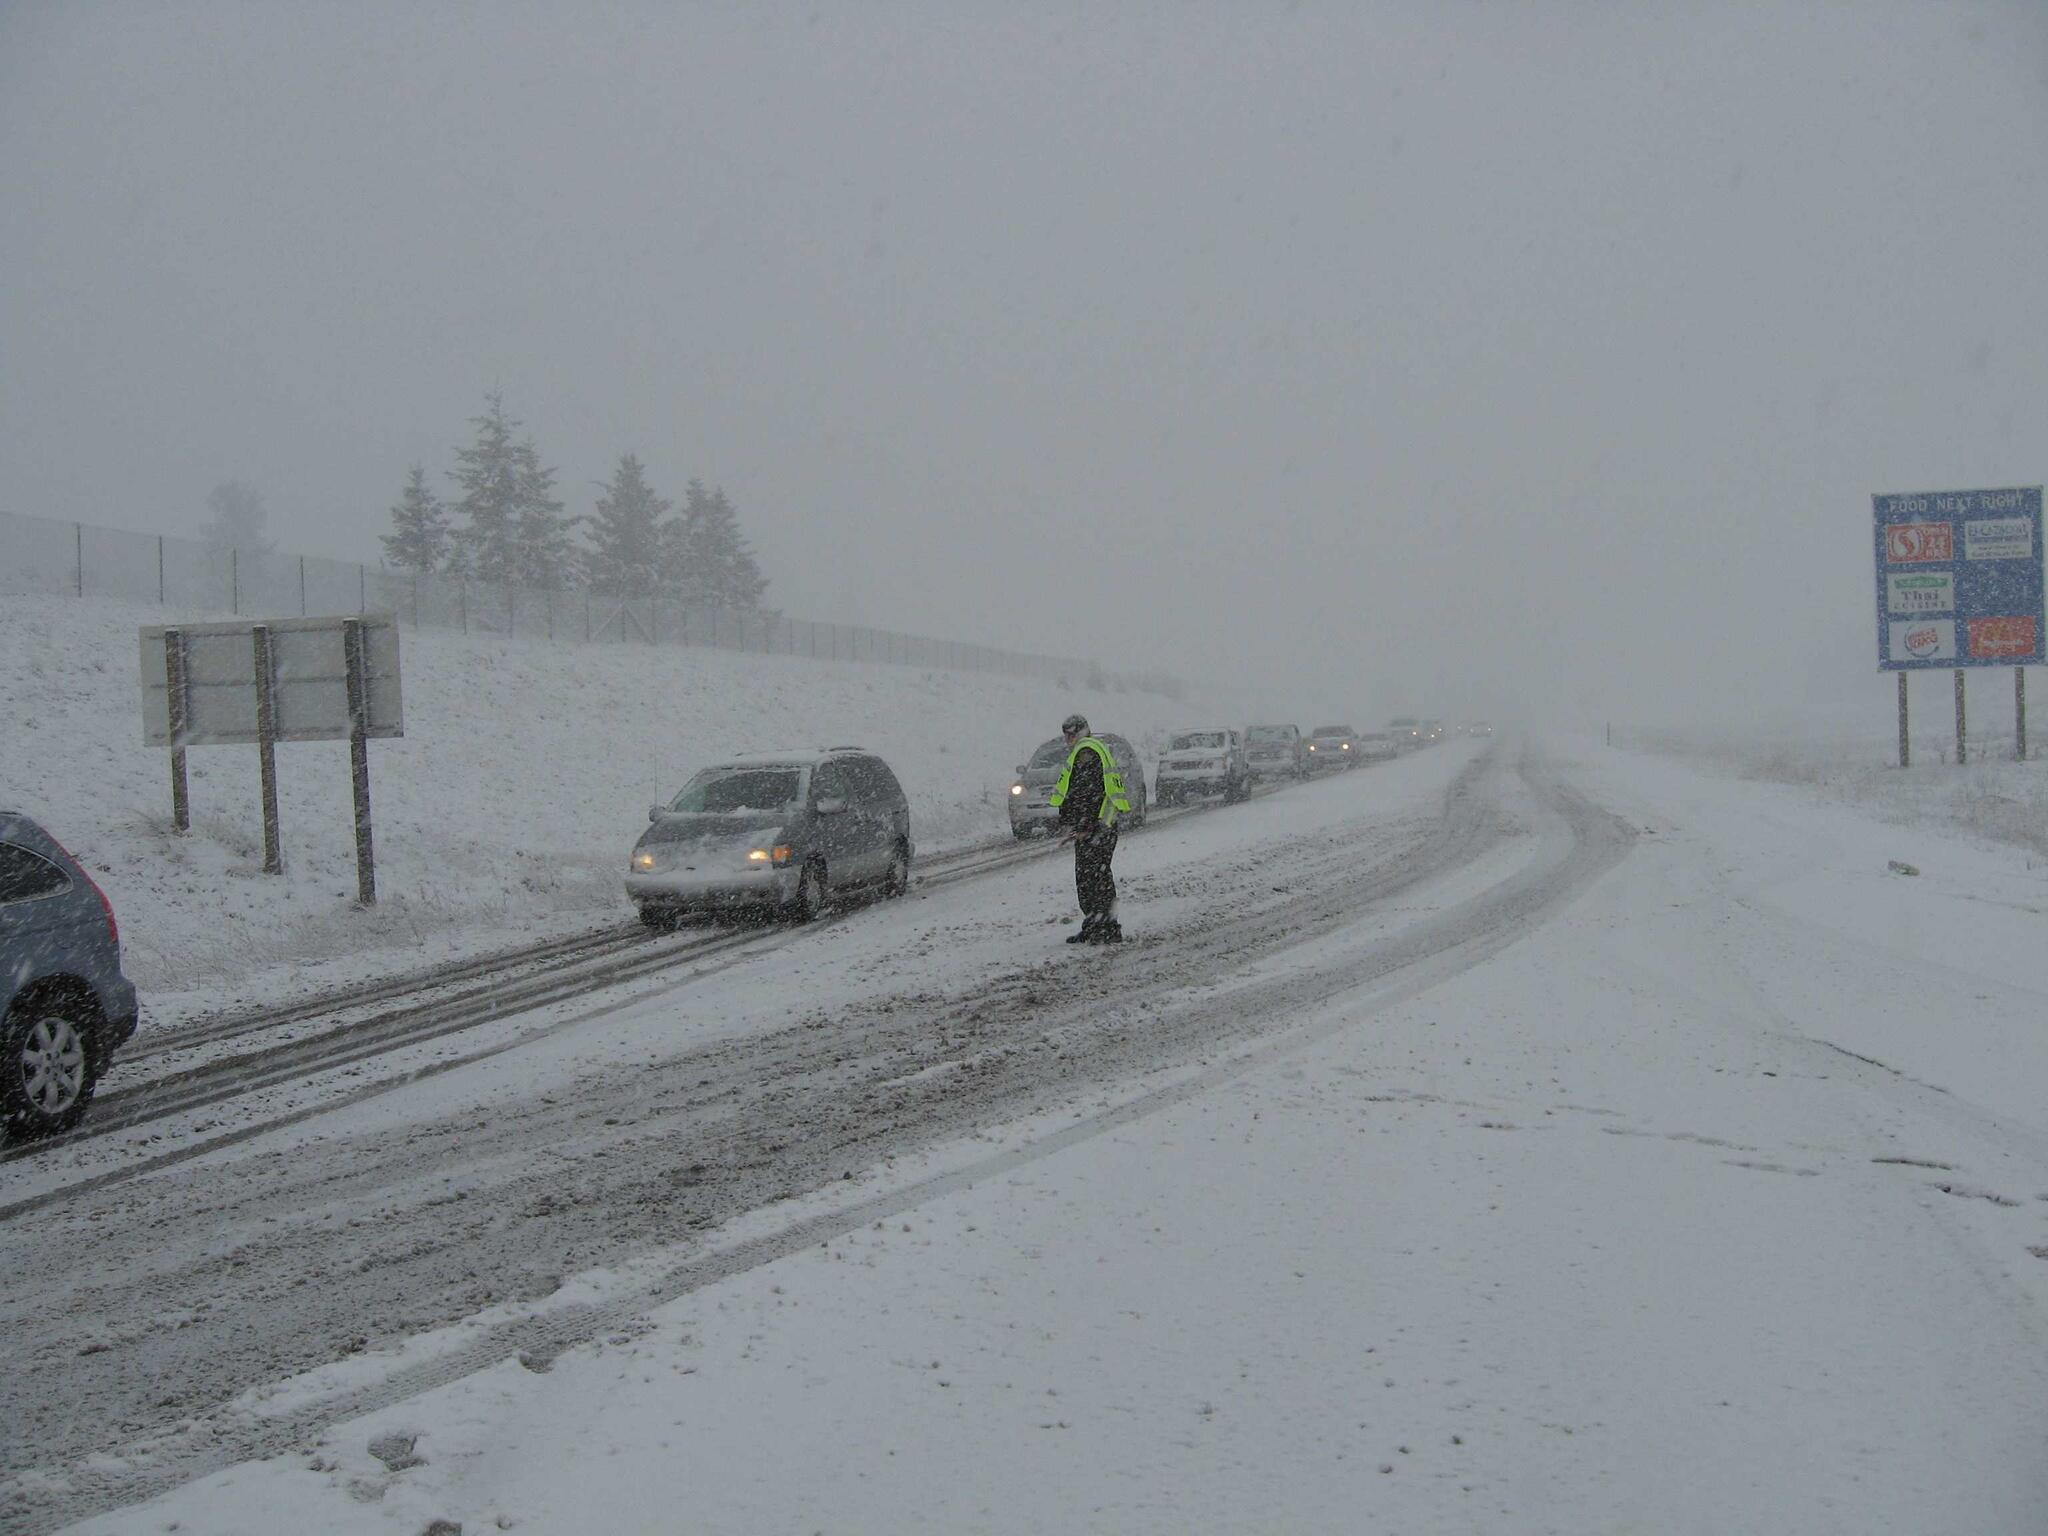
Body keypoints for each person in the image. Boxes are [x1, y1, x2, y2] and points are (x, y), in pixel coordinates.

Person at [1046, 712, 1131, 944]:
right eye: (1066, 734)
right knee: (1095, 878)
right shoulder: (1091, 749)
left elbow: (1089, 793)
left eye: (1071, 733)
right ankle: (1097, 925)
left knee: (1093, 879)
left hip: (1097, 827)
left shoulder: (1086, 752)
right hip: (1100, 825)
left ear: (1081, 731)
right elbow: (1080, 793)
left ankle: (1105, 928)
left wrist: (1085, 825)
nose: (1068, 738)